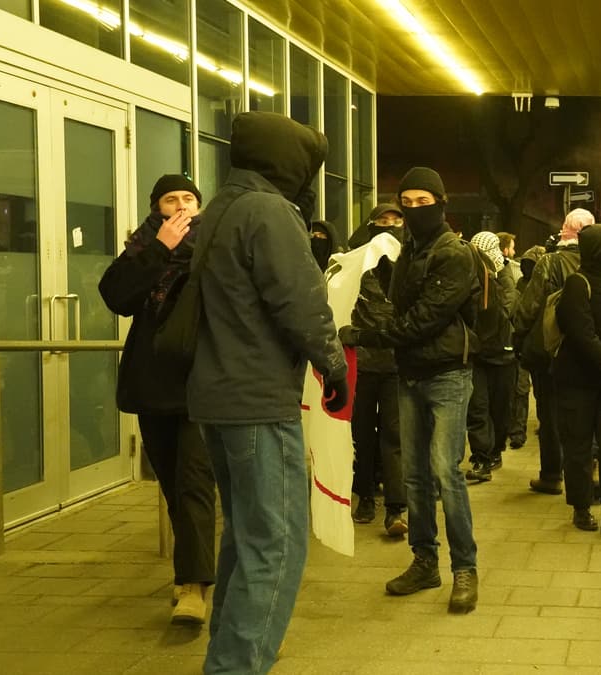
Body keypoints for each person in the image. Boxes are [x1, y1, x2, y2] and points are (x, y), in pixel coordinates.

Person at [186, 112, 348, 673]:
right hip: (256, 399)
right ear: (288, 161)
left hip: (215, 398)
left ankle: (228, 655)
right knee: (276, 547)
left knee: (245, 541)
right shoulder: (269, 211)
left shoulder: (218, 209)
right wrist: (332, 363)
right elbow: (301, 302)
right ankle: (236, 665)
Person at [343, 166, 481, 613]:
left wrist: (370, 335)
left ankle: (465, 569)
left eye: (424, 202)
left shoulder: (454, 253)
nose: (415, 210)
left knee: (445, 471)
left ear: (442, 203)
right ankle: (425, 562)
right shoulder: (406, 252)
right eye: (408, 202)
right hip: (411, 374)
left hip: (446, 375)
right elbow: (401, 307)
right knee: (416, 476)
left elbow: (425, 317)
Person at [98, 174, 216, 625]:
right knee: (171, 485)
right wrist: (160, 248)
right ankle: (191, 569)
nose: (182, 204)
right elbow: (117, 297)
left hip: (199, 383)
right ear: (157, 208)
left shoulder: (213, 247)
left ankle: (194, 587)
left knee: (193, 484)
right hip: (152, 385)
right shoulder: (143, 249)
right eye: (172, 198)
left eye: (189, 197)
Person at [553, 224, 601, 537]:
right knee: (579, 446)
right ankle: (581, 508)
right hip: (577, 381)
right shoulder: (577, 283)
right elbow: (582, 335)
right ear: (598, 249)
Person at [513, 208, 596, 495]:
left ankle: (551, 475)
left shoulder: (549, 263)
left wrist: (519, 334)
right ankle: (588, 472)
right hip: (587, 351)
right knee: (585, 413)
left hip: (551, 352)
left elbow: (528, 307)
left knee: (549, 414)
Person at [346, 206, 407, 535]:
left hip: (397, 364)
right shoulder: (359, 262)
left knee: (393, 436)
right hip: (364, 363)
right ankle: (366, 495)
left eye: (396, 222)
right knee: (362, 435)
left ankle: (396, 506)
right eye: (383, 222)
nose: (390, 227)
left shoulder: (409, 261)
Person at [465, 230, 518, 481]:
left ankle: (495, 449)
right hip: (477, 354)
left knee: (500, 408)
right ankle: (481, 458)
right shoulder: (467, 276)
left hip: (504, 353)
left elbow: (508, 310)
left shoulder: (506, 275)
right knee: (478, 408)